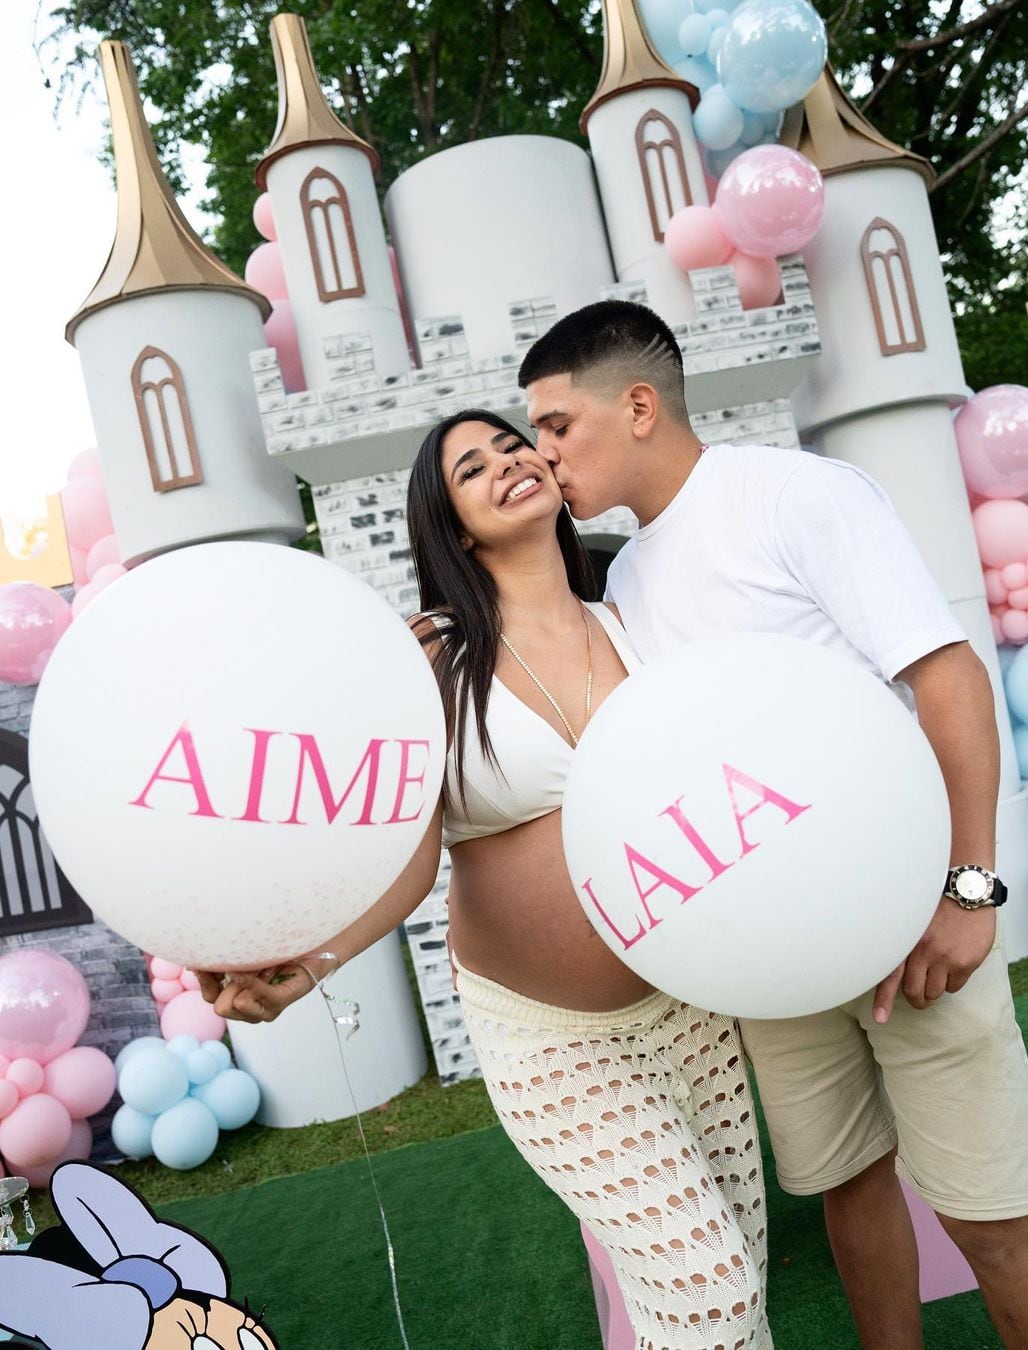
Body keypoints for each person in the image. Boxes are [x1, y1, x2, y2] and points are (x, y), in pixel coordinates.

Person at [517, 300, 1028, 1350]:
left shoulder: (793, 495)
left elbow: (947, 674)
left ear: (638, 405)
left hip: (906, 916)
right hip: (767, 957)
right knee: (847, 1191)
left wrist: (969, 888)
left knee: (990, 1216)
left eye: (556, 425)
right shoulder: (626, 579)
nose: (543, 456)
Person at [198, 409, 772, 1350]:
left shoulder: (634, 626)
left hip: (692, 1009)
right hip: (551, 1043)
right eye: (475, 466)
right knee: (706, 1288)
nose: (509, 462)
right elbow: (412, 851)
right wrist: (312, 962)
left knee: (732, 1281)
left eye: (514, 445)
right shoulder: (431, 656)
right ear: (455, 525)